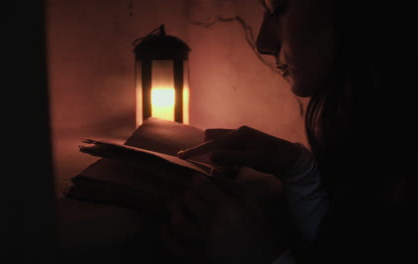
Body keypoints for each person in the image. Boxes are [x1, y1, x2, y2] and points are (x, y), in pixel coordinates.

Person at [162, 0, 414, 263]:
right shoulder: (380, 142)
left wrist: (262, 257)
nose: (262, 43)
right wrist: (302, 173)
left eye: (277, 9)